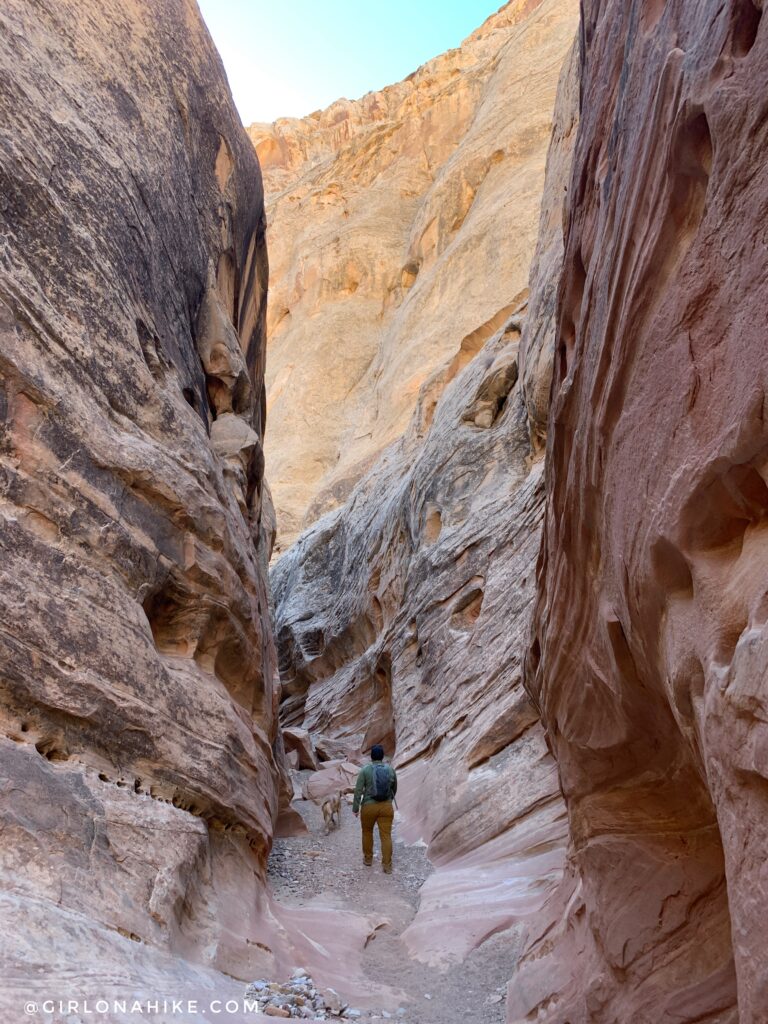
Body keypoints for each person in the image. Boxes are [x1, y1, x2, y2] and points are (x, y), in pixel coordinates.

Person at [352, 744, 397, 874]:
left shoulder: (365, 770)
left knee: (367, 832)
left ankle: (368, 859)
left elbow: (358, 791)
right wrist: (388, 801)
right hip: (386, 807)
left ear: (371, 757)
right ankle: (387, 866)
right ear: (382, 756)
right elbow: (394, 788)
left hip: (368, 806)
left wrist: (355, 808)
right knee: (386, 836)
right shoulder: (390, 770)